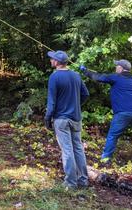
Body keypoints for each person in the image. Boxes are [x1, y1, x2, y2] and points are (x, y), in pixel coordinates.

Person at [45, 50, 89, 189]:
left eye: (52, 59)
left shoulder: (54, 77)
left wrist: (47, 118)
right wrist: (76, 105)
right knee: (78, 148)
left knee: (67, 150)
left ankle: (70, 182)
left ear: (57, 62)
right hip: (76, 118)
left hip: (61, 119)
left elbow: (51, 102)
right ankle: (83, 180)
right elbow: (86, 94)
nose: (51, 60)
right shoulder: (76, 75)